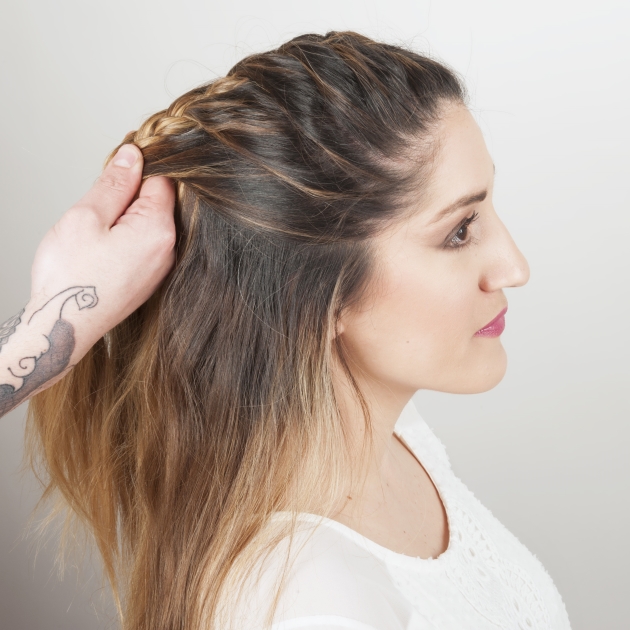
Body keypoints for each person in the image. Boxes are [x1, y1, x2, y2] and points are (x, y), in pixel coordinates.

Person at [0, 31, 571, 630]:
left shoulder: (390, 436)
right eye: (459, 231)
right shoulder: (316, 602)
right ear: (320, 296)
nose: (515, 267)